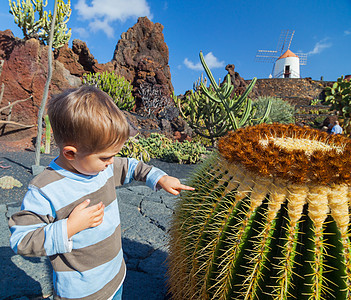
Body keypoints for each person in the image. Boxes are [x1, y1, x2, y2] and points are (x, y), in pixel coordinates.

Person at [8, 86, 194, 300]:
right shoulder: (45, 189)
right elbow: (21, 239)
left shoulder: (101, 168)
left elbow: (132, 166)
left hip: (115, 278)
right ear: (70, 153)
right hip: (81, 293)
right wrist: (70, 227)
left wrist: (159, 177)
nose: (112, 162)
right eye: (106, 157)